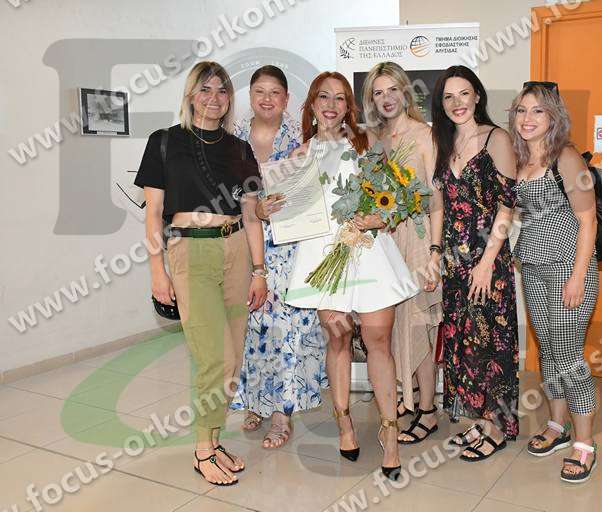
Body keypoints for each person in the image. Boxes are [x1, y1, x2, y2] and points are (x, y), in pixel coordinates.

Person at [135, 61, 267, 486]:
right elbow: (153, 214)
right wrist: (157, 271)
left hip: (236, 250)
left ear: (229, 99)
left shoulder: (240, 149)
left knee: (233, 356)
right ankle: (202, 450)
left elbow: (251, 215)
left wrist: (260, 271)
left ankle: (213, 438)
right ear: (191, 95)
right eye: (205, 89)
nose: (214, 98)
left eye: (222, 91)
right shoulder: (165, 142)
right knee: (215, 357)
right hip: (189, 252)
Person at [285, 71, 418, 480]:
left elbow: (397, 198)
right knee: (339, 339)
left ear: (349, 107)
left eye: (340, 98)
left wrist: (378, 217)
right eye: (323, 97)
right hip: (325, 261)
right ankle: (345, 425)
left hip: (370, 255)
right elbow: (291, 214)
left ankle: (390, 433)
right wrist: (269, 207)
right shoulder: (298, 156)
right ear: (311, 104)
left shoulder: (367, 143)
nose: (331, 105)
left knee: (378, 342)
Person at [230, 65, 326, 449]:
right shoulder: (232, 138)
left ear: (286, 99)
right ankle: (255, 400)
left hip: (292, 249)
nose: (267, 99)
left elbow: (318, 193)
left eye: (275, 92)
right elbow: (227, 195)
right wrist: (254, 210)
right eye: (260, 91)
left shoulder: (303, 137)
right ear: (250, 96)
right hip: (245, 245)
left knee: (287, 331)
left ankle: (282, 414)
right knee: (252, 329)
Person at [511, 81, 600, 483]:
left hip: (567, 268)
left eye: (537, 111)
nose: (527, 119)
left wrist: (578, 277)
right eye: (521, 110)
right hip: (532, 267)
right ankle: (557, 425)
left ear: (554, 117)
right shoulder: (520, 159)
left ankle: (585, 444)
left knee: (568, 357)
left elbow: (588, 219)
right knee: (547, 351)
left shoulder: (566, 157)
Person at [431, 65, 519, 462]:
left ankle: (496, 427)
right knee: (462, 342)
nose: (457, 103)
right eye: (448, 97)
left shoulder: (496, 138)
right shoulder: (444, 142)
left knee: (490, 342)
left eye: (463, 93)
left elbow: (506, 206)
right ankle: (478, 422)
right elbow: (438, 204)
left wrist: (486, 262)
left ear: (477, 96)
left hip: (488, 259)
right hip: (454, 261)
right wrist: (435, 253)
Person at [360, 61, 442, 444]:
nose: (386, 98)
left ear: (405, 92)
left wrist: (435, 254)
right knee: (391, 330)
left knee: (418, 325)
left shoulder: (425, 135)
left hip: (418, 242)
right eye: (378, 92)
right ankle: (404, 400)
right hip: (383, 246)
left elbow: (436, 199)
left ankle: (427, 410)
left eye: (392, 89)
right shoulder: (375, 140)